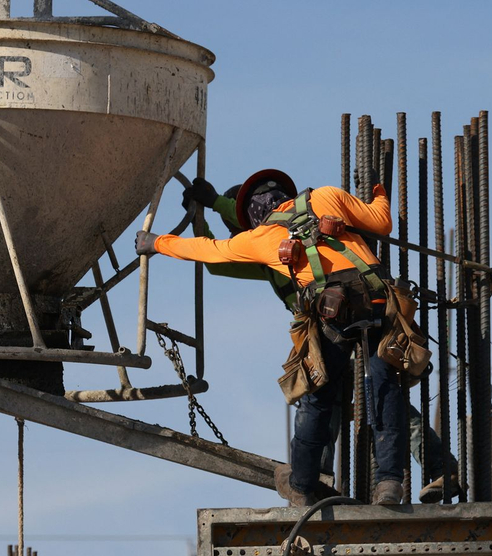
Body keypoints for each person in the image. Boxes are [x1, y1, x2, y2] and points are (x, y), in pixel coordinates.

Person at [182, 177, 460, 504]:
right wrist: (201, 214)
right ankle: (322, 480)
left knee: (369, 395)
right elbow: (215, 257)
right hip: (333, 328)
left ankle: (435, 467)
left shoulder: (286, 230)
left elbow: (240, 226)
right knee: (351, 396)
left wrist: (215, 202)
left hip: (346, 321)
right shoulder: (269, 253)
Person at [138, 169, 408, 505]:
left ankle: (303, 483)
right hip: (379, 301)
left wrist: (155, 243)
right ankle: (389, 485)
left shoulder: (260, 239)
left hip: (334, 312)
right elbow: (382, 222)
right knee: (384, 386)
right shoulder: (325, 196)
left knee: (316, 394)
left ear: (253, 217)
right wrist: (380, 192)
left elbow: (208, 251)